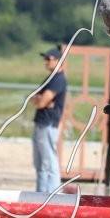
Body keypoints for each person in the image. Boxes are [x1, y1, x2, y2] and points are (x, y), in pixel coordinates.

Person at [32, 47, 68, 193]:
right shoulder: (51, 78)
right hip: (42, 122)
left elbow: (41, 101)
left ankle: (51, 193)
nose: (45, 61)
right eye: (45, 59)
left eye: (48, 59)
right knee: (40, 162)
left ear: (58, 61)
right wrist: (41, 100)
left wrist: (41, 100)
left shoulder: (58, 79)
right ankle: (41, 193)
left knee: (48, 162)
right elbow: (34, 98)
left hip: (48, 123)